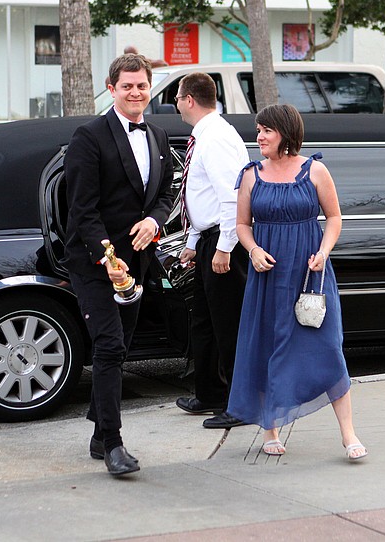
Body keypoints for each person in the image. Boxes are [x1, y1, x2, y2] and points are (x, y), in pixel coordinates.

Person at [227, 104, 367, 461]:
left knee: (327, 348)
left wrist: (324, 251)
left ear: (285, 133)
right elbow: (242, 224)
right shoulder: (251, 174)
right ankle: (270, 429)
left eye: (267, 131)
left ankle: (348, 433)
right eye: (259, 130)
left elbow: (334, 217)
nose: (259, 137)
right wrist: (253, 249)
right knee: (267, 345)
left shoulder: (315, 170)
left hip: (310, 274)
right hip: (268, 275)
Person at [63, 53, 175, 477]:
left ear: (150, 88)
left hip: (138, 261)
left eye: (141, 85)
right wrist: (107, 257)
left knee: (119, 347)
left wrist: (155, 221)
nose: (135, 93)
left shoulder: (158, 136)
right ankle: (113, 444)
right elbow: (82, 209)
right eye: (127, 86)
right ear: (111, 89)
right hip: (94, 262)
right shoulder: (88, 137)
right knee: (109, 346)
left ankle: (98, 433)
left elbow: (166, 193)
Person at [172, 72, 250, 429]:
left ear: (189, 99)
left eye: (177, 97)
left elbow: (232, 198)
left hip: (223, 242)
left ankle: (240, 404)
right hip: (208, 239)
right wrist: (193, 244)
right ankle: (210, 393)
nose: (176, 104)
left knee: (228, 325)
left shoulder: (216, 138)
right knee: (204, 321)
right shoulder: (205, 136)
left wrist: (224, 248)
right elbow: (201, 197)